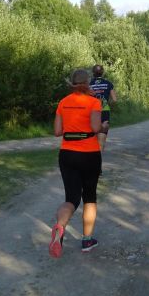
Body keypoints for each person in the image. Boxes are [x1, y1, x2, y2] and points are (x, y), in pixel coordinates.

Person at [49, 68, 106, 258]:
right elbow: (96, 128)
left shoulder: (63, 102)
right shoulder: (94, 102)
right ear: (88, 82)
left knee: (71, 199)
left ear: (72, 84)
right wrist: (104, 126)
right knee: (89, 197)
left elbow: (57, 131)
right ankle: (87, 240)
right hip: (89, 154)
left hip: (67, 154)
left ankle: (59, 228)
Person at [89, 64, 117, 151]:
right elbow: (114, 100)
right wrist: (107, 104)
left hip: (92, 112)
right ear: (103, 72)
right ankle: (99, 156)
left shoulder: (89, 84)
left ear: (93, 73)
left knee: (92, 140)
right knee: (101, 142)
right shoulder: (108, 83)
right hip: (104, 110)